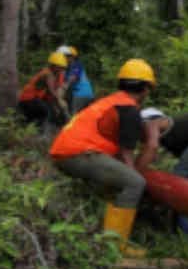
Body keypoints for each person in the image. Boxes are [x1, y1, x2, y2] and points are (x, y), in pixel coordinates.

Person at [49, 59, 157, 258]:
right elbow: (126, 155)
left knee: (118, 181)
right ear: (145, 89)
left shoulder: (112, 101)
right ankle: (115, 245)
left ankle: (105, 229)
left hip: (66, 152)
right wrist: (136, 174)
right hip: (77, 154)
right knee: (134, 183)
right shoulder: (129, 110)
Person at [17, 52, 69, 133]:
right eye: (60, 67)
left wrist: (57, 105)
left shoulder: (53, 73)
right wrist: (60, 103)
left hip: (31, 99)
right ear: (54, 66)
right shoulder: (48, 74)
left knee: (34, 117)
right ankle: (41, 134)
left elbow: (50, 94)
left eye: (63, 68)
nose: (62, 70)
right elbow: (51, 92)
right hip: (28, 99)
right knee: (45, 112)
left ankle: (29, 133)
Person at [57, 45, 94, 113]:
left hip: (81, 94)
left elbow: (73, 77)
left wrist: (65, 87)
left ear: (71, 57)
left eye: (65, 56)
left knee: (74, 116)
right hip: (84, 94)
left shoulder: (76, 65)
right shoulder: (68, 68)